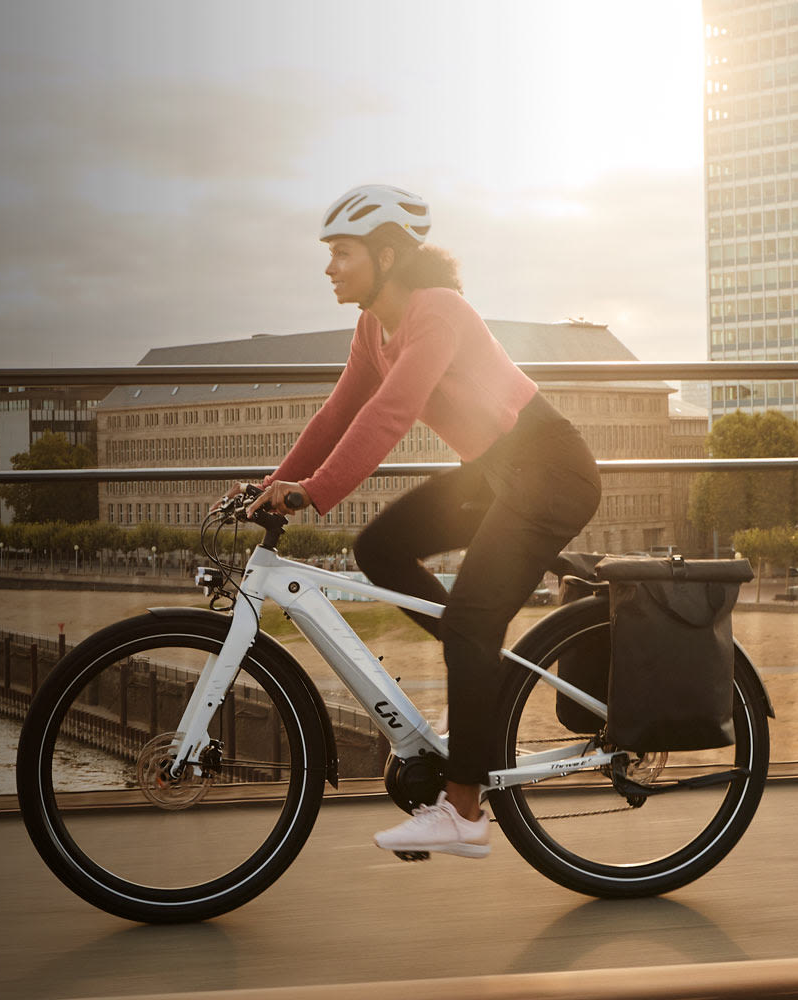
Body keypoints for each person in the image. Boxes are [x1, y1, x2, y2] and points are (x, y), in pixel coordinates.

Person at [229, 184, 602, 859]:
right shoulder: (372, 329)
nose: (329, 267)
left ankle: (462, 813)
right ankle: (482, 667)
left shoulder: (439, 312)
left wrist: (312, 492)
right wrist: (269, 483)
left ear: (387, 256)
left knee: (470, 624)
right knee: (381, 548)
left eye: (342, 253)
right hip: (494, 471)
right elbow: (338, 414)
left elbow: (391, 412)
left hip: (549, 470)